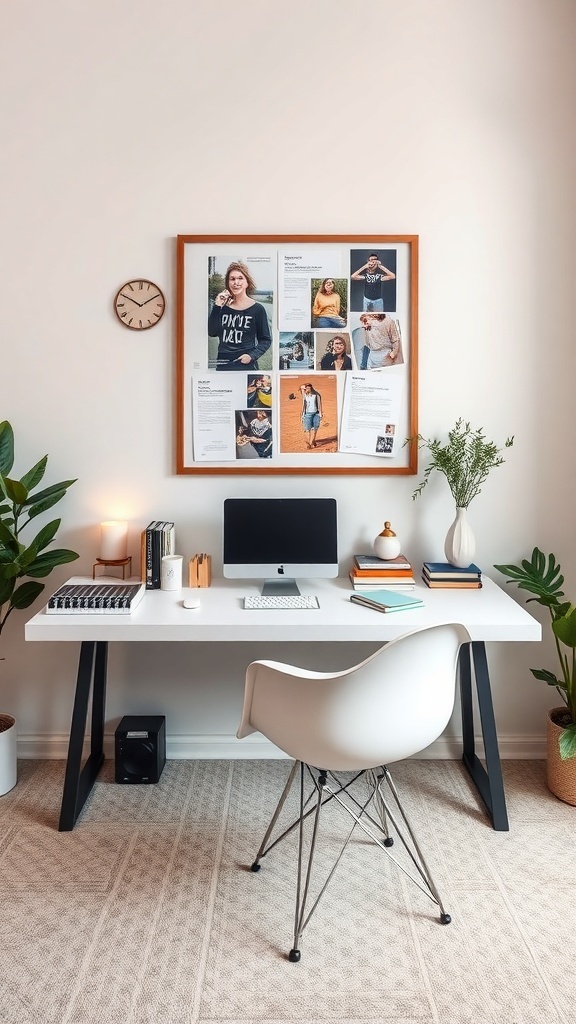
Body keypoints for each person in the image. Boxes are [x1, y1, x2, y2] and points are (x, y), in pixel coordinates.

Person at [208, 261, 272, 371]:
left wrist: (251, 356)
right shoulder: (222, 307)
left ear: (247, 283)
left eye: (240, 278)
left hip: (247, 365)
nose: (236, 282)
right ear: (228, 283)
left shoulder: (258, 309)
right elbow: (212, 332)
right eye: (232, 279)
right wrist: (217, 306)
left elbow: (265, 340)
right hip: (223, 364)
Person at [300, 382, 323, 449]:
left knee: (315, 429)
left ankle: (312, 442)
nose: (308, 389)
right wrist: (302, 414)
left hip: (316, 414)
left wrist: (320, 414)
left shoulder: (317, 395)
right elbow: (303, 405)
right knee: (307, 429)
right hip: (307, 414)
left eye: (309, 388)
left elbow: (319, 404)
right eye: (306, 388)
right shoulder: (305, 395)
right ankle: (309, 443)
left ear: (311, 388)